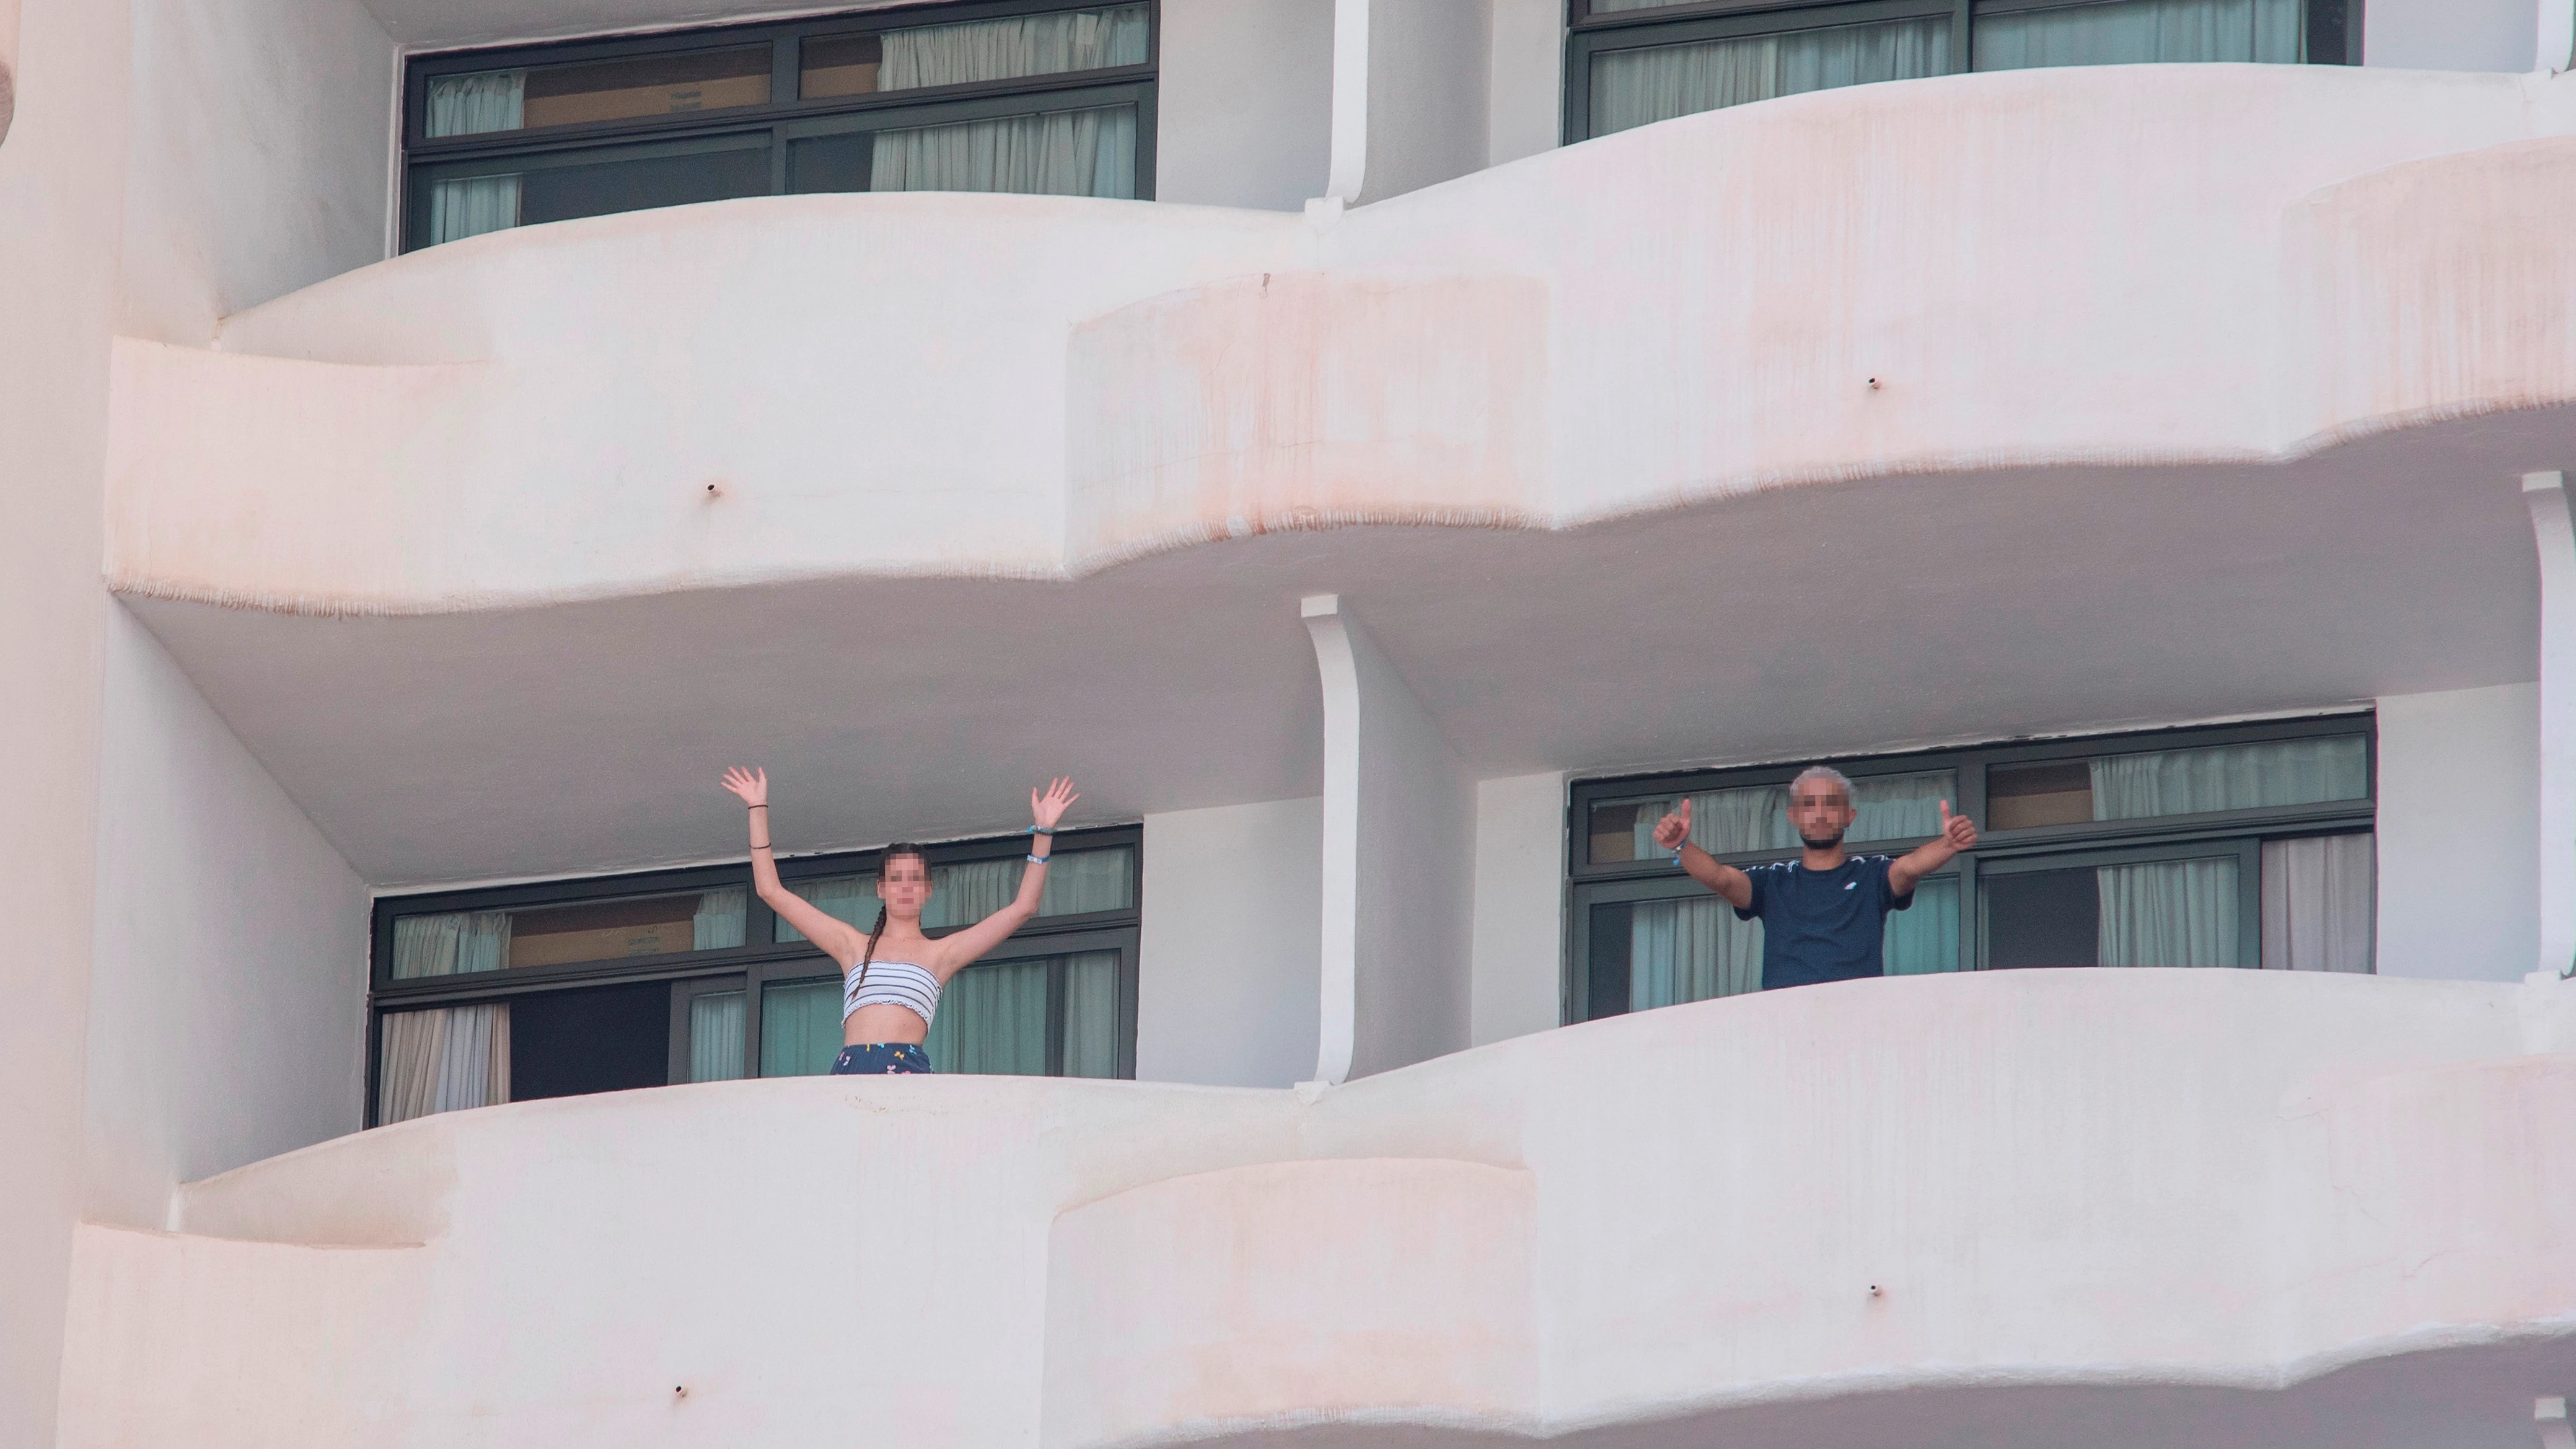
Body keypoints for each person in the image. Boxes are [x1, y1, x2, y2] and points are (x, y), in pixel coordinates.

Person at [718, 766, 1079, 1074]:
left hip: (908, 1071)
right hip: (849, 1070)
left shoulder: (942, 954)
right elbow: (770, 891)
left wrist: (1044, 833)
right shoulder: (852, 946)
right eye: (896, 879)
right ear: (881, 889)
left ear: (928, 890)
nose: (905, 887)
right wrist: (757, 808)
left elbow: (1022, 908)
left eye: (915, 879)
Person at [1651, 765, 1976, 991]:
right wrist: (1681, 845)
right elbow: (1720, 879)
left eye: (1831, 805)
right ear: (1793, 816)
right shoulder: (1773, 882)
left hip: (1858, 1020)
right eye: (1808, 805)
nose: (1819, 814)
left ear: (1850, 816)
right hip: (1789, 1026)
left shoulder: (1872, 874)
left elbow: (1910, 867)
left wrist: (1949, 844)